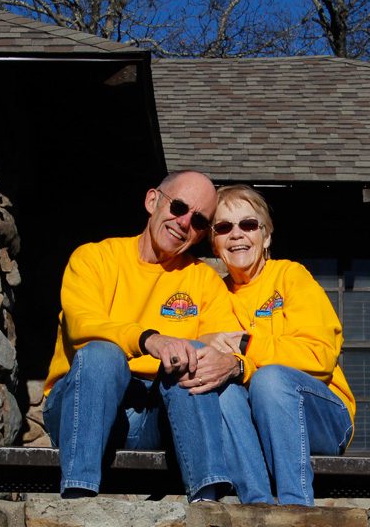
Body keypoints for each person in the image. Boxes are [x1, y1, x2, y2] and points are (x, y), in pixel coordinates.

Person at [41, 171, 273, 503]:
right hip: (81, 403)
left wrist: (230, 362)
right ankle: (78, 499)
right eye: (179, 207)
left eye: (198, 221)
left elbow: (224, 343)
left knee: (192, 357)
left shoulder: (203, 280)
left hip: (155, 415)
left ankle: (206, 501)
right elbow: (81, 326)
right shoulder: (94, 259)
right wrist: (151, 339)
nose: (183, 222)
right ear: (153, 201)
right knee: (103, 356)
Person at [206, 184, 355, 506]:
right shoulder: (213, 296)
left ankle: (296, 506)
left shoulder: (291, 276)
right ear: (214, 243)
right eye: (223, 227)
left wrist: (246, 344)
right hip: (254, 421)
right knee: (223, 391)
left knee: (270, 378)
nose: (236, 235)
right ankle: (256, 505)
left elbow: (320, 356)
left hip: (322, 417)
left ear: (266, 236)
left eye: (248, 225)